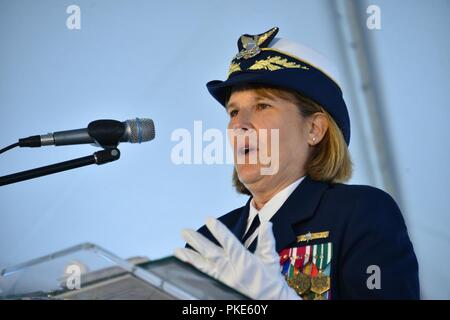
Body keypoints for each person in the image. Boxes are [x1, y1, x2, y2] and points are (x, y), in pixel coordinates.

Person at [174, 27, 420, 300]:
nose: (239, 125)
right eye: (233, 111)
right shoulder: (209, 240)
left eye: (263, 106)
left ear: (314, 128)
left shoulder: (361, 212)